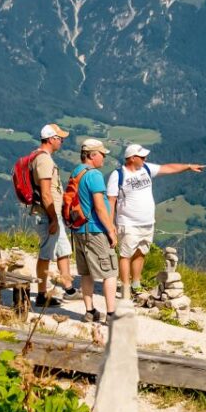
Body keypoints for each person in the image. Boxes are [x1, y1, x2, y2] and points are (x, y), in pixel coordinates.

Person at [107, 144, 205, 298]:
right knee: (126, 255)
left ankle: (136, 284)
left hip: (147, 222)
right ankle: (125, 287)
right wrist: (110, 224)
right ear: (132, 158)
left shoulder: (146, 169)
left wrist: (188, 167)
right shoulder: (118, 175)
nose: (145, 159)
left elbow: (168, 168)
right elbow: (111, 200)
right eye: (142, 157)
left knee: (141, 252)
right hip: (128, 222)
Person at [69, 138, 119, 322]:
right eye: (102, 154)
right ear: (91, 155)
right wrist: (111, 231)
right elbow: (99, 207)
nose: (104, 159)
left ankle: (90, 312)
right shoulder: (94, 175)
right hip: (95, 230)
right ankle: (112, 314)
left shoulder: (77, 172)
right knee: (110, 272)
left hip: (79, 230)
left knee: (86, 273)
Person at [31, 123, 79, 307]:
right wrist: (52, 219)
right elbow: (45, 193)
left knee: (63, 250)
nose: (62, 141)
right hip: (47, 215)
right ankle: (42, 296)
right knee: (46, 254)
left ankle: (69, 289)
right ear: (51, 139)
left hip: (52, 214)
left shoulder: (40, 157)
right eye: (60, 138)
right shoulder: (44, 160)